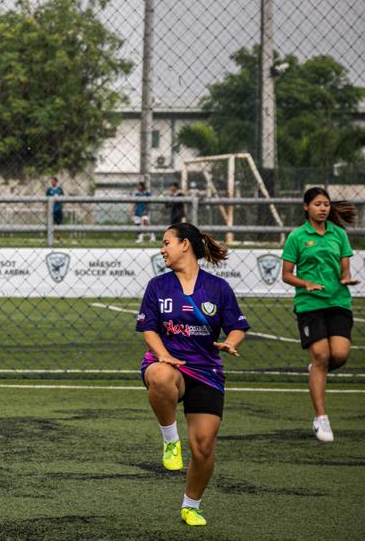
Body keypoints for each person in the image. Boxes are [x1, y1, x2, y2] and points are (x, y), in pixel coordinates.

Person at [138, 222, 248, 526]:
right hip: (169, 364)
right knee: (159, 375)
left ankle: (191, 505)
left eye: (166, 242)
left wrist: (231, 342)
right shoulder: (158, 286)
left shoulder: (218, 288)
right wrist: (162, 354)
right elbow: (149, 329)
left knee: (203, 448)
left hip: (207, 371)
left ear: (185, 245)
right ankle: (170, 441)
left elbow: (237, 327)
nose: (162, 249)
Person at [280, 187, 357, 443]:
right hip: (310, 304)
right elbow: (287, 274)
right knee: (323, 355)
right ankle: (320, 417)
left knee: (340, 355)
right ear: (306, 207)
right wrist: (306, 284)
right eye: (317, 204)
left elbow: (344, 268)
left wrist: (347, 279)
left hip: (339, 301)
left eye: (326, 204)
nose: (323, 208)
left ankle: (316, 369)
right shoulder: (297, 237)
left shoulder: (339, 235)